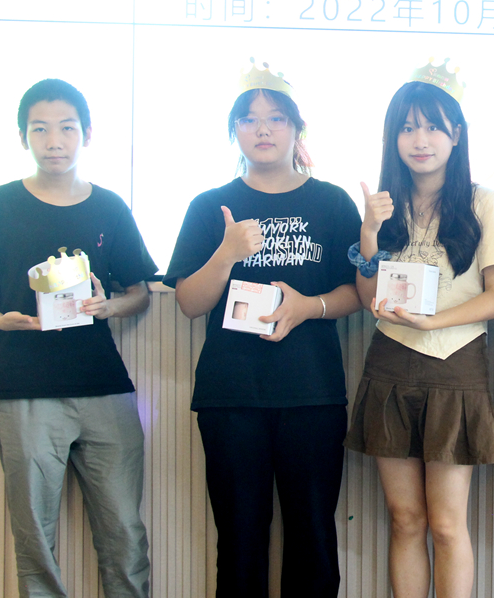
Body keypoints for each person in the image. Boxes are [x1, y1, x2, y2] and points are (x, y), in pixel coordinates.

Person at [165, 62, 361, 597]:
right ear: (235, 131)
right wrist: (226, 254)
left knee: (313, 541)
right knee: (240, 542)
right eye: (249, 120)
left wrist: (309, 307)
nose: (263, 129)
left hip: (312, 396)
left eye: (276, 118)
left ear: (297, 128)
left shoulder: (331, 202)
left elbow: (358, 294)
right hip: (232, 397)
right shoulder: (209, 206)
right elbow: (188, 303)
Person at [0, 78, 155, 598]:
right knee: (34, 537)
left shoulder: (110, 207)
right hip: (23, 386)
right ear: (23, 136)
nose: (54, 141)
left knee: (124, 530)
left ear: (86, 134)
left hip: (103, 386)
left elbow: (139, 293)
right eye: (40, 129)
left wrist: (109, 306)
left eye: (66, 128)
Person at [344, 62, 494, 598]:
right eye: (408, 128)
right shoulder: (383, 205)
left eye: (434, 127)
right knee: (405, 519)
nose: (420, 140)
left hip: (456, 364)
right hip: (390, 361)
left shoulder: (484, 202)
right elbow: (367, 298)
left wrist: (434, 320)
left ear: (456, 134)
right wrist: (369, 230)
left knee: (446, 523)